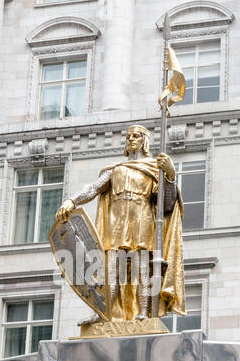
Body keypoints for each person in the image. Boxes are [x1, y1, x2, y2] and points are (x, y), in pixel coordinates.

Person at [54, 125, 185, 322]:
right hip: (117, 223)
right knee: (112, 271)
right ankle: (104, 313)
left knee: (142, 269)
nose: (131, 139)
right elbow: (92, 189)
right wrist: (71, 201)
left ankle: (143, 314)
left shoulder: (153, 169)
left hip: (142, 221)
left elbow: (167, 204)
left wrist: (170, 176)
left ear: (144, 142)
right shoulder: (116, 170)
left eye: (136, 137)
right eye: (128, 137)